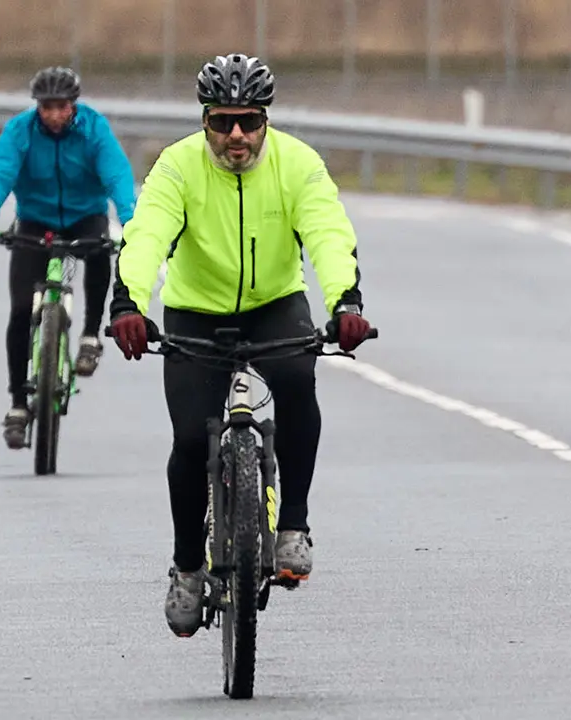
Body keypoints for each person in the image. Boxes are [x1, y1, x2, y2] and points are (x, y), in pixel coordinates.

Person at [106, 53, 373, 638]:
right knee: (187, 437)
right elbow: (146, 234)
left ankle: (293, 527)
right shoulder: (176, 167)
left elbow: (328, 232)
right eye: (222, 121)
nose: (236, 136)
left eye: (248, 121)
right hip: (195, 312)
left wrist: (346, 303)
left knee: (300, 385)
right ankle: (187, 569)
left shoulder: (299, 164)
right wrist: (127, 303)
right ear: (205, 120)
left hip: (275, 306)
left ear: (265, 121)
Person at [0, 66, 138, 449]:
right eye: (47, 107)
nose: (55, 115)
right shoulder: (19, 131)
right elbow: (1, 173)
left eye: (62, 107)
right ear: (37, 107)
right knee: (21, 309)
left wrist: (132, 222)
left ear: (74, 105)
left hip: (84, 216)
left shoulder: (94, 129)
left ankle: (91, 334)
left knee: (100, 249)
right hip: (36, 221)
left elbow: (118, 177)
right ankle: (18, 405)